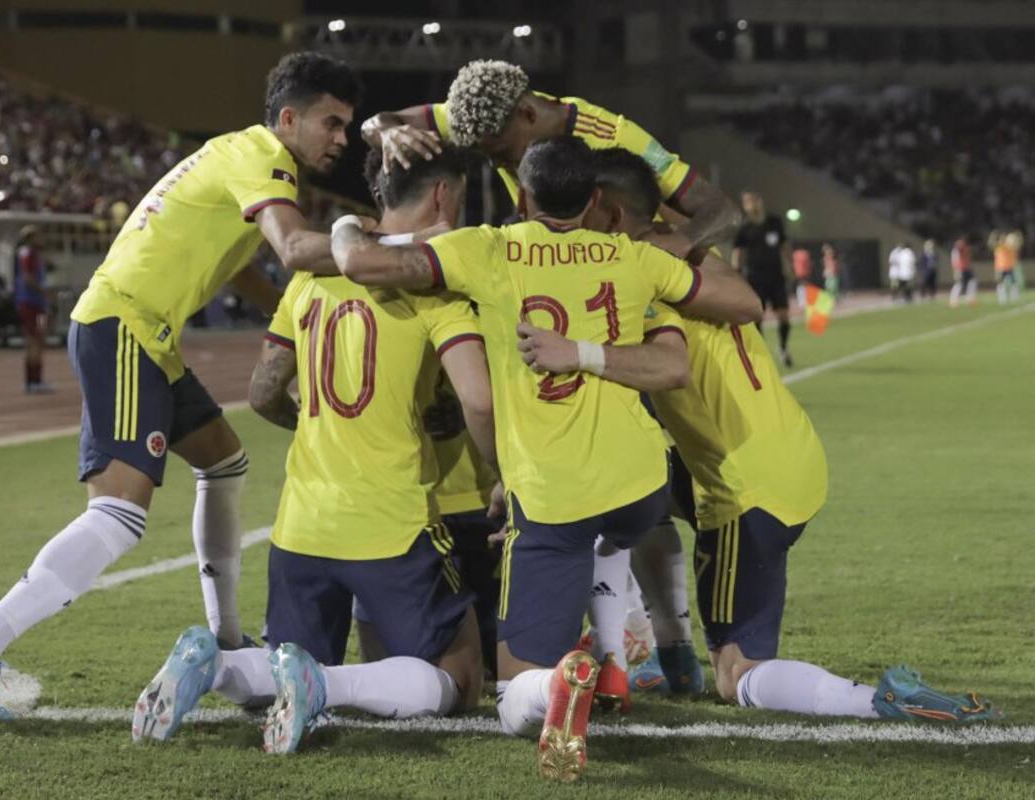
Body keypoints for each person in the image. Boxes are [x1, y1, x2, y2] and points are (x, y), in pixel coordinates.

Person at [0, 51, 363, 722]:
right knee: (119, 516)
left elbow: (246, 270)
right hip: (123, 325)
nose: (342, 139)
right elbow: (294, 249)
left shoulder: (242, 157)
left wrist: (287, 317)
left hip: (141, 334)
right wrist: (377, 249)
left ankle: (225, 638)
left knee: (224, 460)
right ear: (289, 118)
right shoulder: (266, 162)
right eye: (333, 123)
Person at [330, 136, 762, 781]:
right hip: (641, 487)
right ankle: (620, 652)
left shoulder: (488, 249)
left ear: (523, 198)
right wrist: (674, 254)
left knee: (513, 698)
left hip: (554, 495)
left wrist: (346, 223)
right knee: (615, 536)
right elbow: (730, 315)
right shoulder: (633, 256)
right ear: (594, 199)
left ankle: (566, 677)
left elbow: (359, 264)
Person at [521, 149, 998, 726]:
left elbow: (678, 357)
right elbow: (739, 294)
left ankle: (875, 700)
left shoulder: (633, 274)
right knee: (630, 496)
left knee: (736, 671)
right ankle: (659, 653)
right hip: (789, 453)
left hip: (744, 486)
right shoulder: (696, 257)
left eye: (585, 214)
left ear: (612, 215)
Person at [130, 146, 495, 749]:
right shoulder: (434, 287)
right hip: (390, 521)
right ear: (442, 197)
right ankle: (326, 687)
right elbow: (477, 401)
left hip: (301, 524)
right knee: (461, 674)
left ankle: (215, 666)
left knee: (281, 659)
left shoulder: (308, 280)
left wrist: (326, 429)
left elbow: (265, 391)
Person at [352, 148, 502, 679]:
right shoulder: (466, 259)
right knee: (492, 679)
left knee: (395, 670)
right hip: (476, 499)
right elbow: (486, 390)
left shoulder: (326, 264)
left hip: (379, 512)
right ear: (443, 194)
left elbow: (276, 391)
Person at [361, 59, 742, 259]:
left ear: (528, 115)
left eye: (505, 157)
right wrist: (388, 133)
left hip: (652, 295)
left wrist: (683, 242)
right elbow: (375, 123)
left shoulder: (613, 137)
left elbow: (723, 210)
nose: (503, 169)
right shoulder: (484, 117)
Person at [732, 191, 794, 367]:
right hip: (755, 278)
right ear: (745, 206)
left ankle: (783, 348)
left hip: (776, 276)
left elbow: (784, 245)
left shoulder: (775, 222)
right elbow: (738, 252)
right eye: (748, 202)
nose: (752, 204)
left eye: (755, 200)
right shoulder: (744, 228)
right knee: (757, 317)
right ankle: (761, 353)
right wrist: (736, 273)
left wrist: (790, 265)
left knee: (783, 315)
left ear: (761, 201)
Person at [14, 226, 53, 393]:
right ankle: (34, 380)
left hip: (33, 303)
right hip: (32, 304)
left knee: (35, 341)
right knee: (35, 341)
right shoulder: (28, 254)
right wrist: (43, 291)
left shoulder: (32, 255)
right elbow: (28, 278)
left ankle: (33, 381)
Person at [990, 229, 1019, 304]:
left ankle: (1014, 299)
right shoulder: (999, 247)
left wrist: (1016, 238)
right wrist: (992, 237)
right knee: (1001, 285)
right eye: (1002, 238)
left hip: (1009, 268)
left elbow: (1016, 246)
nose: (1003, 239)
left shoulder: (1009, 247)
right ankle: (1002, 300)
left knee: (1013, 284)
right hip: (1000, 268)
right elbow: (991, 244)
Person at [949, 236, 977, 307]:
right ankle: (953, 300)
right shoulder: (956, 249)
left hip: (965, 268)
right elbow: (956, 258)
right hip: (960, 269)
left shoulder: (964, 248)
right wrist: (956, 270)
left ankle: (970, 298)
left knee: (972, 281)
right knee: (959, 284)